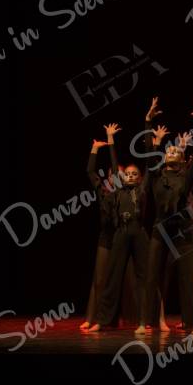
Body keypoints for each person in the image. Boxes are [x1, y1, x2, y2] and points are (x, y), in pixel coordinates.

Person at [89, 108, 166, 334]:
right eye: (127, 174)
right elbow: (115, 164)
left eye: (134, 174)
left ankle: (145, 321)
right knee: (112, 277)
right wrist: (111, 140)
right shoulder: (119, 190)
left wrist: (153, 135)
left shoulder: (142, 190)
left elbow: (151, 165)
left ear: (139, 178)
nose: (130, 176)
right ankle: (102, 320)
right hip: (121, 233)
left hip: (139, 233)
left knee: (145, 278)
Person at [144, 98, 193, 336]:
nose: (171, 151)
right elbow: (149, 153)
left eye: (176, 150)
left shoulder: (186, 176)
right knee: (152, 274)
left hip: (183, 229)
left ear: (182, 158)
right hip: (160, 228)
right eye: (168, 150)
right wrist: (148, 122)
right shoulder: (156, 175)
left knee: (188, 276)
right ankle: (146, 321)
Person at [81, 123, 120, 331]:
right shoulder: (102, 191)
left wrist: (111, 140)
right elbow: (90, 171)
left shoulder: (123, 191)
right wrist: (95, 148)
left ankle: (137, 319)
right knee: (99, 278)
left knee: (128, 280)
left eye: (117, 175)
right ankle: (92, 317)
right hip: (106, 237)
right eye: (111, 175)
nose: (113, 177)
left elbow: (115, 165)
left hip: (122, 236)